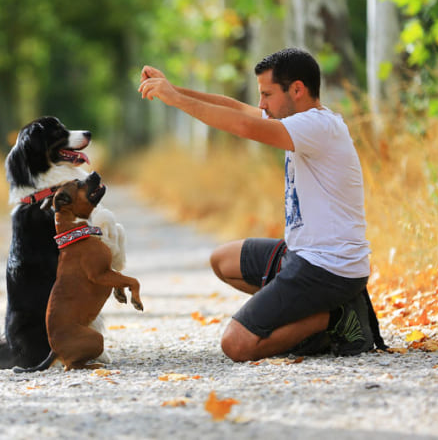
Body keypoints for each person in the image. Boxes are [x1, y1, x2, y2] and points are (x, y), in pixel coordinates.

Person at [138, 48, 385, 362]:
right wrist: (172, 90)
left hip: (329, 269)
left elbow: (243, 127)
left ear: (297, 89)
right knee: (223, 260)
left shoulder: (318, 126)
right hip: (303, 254)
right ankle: (310, 319)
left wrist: (177, 100)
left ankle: (336, 319)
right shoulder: (296, 119)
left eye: (267, 94)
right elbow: (236, 109)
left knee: (237, 345)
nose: (260, 104)